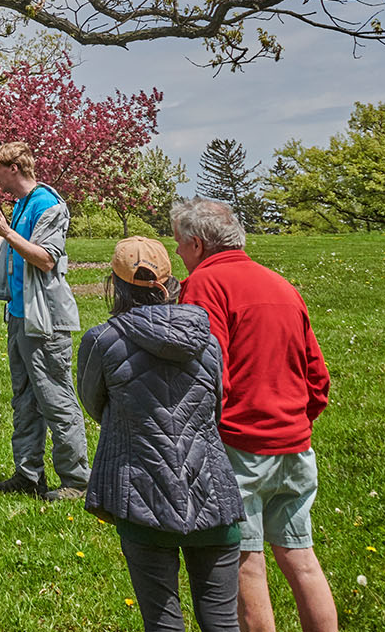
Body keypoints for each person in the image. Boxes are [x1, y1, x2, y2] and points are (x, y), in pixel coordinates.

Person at [173, 198, 336, 632]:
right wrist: (296, 423)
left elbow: (209, 371)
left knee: (246, 563)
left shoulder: (204, 285)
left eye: (179, 245)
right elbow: (317, 377)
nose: (177, 255)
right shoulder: (281, 285)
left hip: (239, 444)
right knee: (301, 559)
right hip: (295, 443)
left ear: (197, 242)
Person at [79, 236, 245, 632]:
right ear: (172, 284)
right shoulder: (207, 338)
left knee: (161, 622)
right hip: (212, 490)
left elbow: (92, 402)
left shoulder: (103, 340)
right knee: (222, 622)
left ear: (115, 286)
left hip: (141, 494)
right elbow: (215, 407)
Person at [0, 141, 89, 500]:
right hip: (19, 316)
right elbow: (10, 250)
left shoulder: (48, 203)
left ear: (13, 167)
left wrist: (10, 233)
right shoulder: (23, 204)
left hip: (44, 320)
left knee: (56, 399)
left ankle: (77, 481)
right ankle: (29, 475)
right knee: (25, 399)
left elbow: (45, 259)